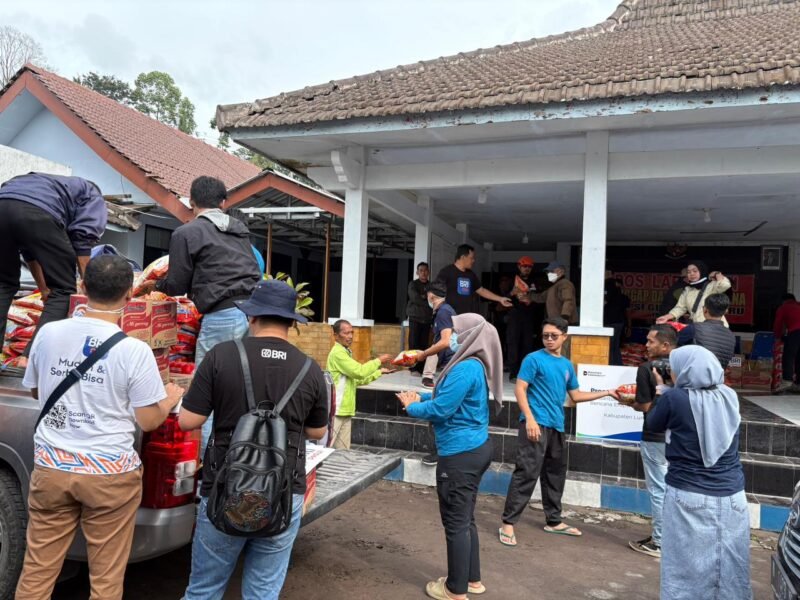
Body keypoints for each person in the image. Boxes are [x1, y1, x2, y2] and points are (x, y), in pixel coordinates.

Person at [15, 255, 183, 600]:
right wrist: (168, 398)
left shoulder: (48, 333)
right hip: (110, 476)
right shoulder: (134, 350)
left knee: (37, 570)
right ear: (129, 297)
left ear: (82, 288)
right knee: (105, 581)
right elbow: (148, 420)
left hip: (52, 469)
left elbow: (36, 390)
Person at [179, 279, 329, 600]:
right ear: (291, 322)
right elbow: (317, 432)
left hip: (223, 487)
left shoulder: (221, 356)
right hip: (283, 492)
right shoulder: (311, 370)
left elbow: (189, 420)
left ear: (251, 317)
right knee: (262, 593)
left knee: (204, 589)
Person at [142, 176, 262, 452]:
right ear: (223, 203)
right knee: (240, 387)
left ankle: (210, 462)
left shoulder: (187, 233)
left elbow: (177, 285)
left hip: (223, 316)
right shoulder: (239, 230)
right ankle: (240, 453)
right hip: (252, 315)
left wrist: (154, 285)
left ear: (191, 202)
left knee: (208, 389)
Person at [396, 313, 503, 600]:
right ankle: (472, 580)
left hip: (460, 454)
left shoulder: (463, 368)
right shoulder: (472, 364)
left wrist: (412, 408)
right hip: (474, 448)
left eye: (455, 332)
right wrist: (422, 398)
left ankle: (455, 590)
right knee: (465, 518)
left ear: (468, 336)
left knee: (455, 522)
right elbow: (446, 398)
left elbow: (442, 410)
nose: (450, 337)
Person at [499, 318, 618, 545]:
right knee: (526, 473)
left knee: (555, 474)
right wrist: (530, 420)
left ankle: (553, 521)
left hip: (556, 425)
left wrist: (607, 393)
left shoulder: (566, 365)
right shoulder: (533, 359)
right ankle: (508, 523)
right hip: (535, 424)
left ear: (565, 336)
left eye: (554, 335)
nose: (550, 340)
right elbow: (520, 389)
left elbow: (576, 395)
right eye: (546, 336)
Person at [646, 346, 751, 600]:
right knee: (729, 568)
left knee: (684, 570)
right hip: (733, 497)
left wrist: (661, 390)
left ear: (686, 369)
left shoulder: (674, 398)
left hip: (688, 495)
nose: (670, 371)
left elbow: (653, 424)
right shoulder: (730, 396)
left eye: (673, 366)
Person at [0, 173, 107, 363]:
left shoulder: (50, 186)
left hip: (3, 204)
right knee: (64, 290)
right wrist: (91, 290)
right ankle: (29, 359)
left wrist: (43, 289)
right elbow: (83, 240)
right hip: (37, 213)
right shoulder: (92, 194)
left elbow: (30, 252)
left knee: (4, 284)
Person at [616, 324, 677, 558]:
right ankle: (670, 538)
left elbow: (645, 405)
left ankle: (660, 542)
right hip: (680, 436)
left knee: (659, 489)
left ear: (665, 345)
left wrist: (628, 402)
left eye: (651, 341)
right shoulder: (686, 367)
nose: (647, 345)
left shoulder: (646, 369)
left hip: (655, 436)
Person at [327, 319, 392, 449]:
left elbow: (357, 380)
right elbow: (359, 372)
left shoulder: (345, 353)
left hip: (346, 410)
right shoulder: (338, 353)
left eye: (351, 332)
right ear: (336, 335)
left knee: (343, 452)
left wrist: (379, 373)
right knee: (327, 449)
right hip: (337, 409)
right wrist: (378, 361)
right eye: (346, 333)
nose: (350, 336)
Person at [414, 280, 458, 467]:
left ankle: (440, 452)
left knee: (440, 408)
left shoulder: (443, 312)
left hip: (453, 365)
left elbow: (446, 341)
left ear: (431, 296)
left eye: (428, 295)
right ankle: (443, 451)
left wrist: (423, 354)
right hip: (451, 364)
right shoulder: (445, 310)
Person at [436, 244, 512, 315]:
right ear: (463, 257)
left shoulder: (470, 274)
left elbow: (481, 290)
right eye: (471, 258)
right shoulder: (446, 272)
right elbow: (435, 292)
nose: (473, 260)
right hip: (451, 316)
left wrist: (500, 299)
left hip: (467, 317)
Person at [656, 261, 731, 325]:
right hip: (698, 328)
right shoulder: (688, 289)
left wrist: (717, 274)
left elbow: (725, 285)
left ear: (702, 271)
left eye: (695, 271)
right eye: (688, 272)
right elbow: (680, 308)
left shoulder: (712, 285)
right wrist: (666, 317)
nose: (691, 274)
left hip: (715, 328)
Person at [677, 293, 736, 368]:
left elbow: (673, 345)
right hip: (717, 379)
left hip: (694, 377)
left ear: (704, 310)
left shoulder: (694, 328)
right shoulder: (731, 336)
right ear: (726, 311)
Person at [506, 257, 537, 381]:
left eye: (529, 267)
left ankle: (525, 373)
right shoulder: (511, 281)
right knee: (513, 343)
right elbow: (502, 298)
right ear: (519, 266)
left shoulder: (535, 281)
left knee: (527, 345)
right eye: (525, 266)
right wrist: (511, 293)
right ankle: (513, 372)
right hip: (514, 316)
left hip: (529, 318)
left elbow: (540, 299)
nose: (527, 269)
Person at [406, 262, 433, 375]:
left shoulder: (431, 286)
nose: (423, 272)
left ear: (428, 272)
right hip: (415, 318)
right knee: (413, 343)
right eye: (421, 270)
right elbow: (415, 298)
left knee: (424, 345)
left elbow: (434, 299)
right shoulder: (413, 284)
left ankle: (421, 369)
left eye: (425, 270)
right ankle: (413, 368)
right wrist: (427, 300)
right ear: (417, 272)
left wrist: (425, 298)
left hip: (426, 319)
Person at [773, 293, 800, 392]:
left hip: (796, 332)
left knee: (788, 356)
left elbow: (779, 324)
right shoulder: (798, 305)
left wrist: (778, 337)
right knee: (799, 358)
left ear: (784, 301)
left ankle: (787, 381)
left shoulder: (784, 307)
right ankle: (798, 384)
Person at [604, 270, 631, 366]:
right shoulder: (617, 287)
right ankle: (617, 366)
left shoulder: (608, 284)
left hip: (611, 321)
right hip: (618, 321)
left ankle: (612, 366)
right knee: (615, 347)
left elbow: (604, 301)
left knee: (610, 347)